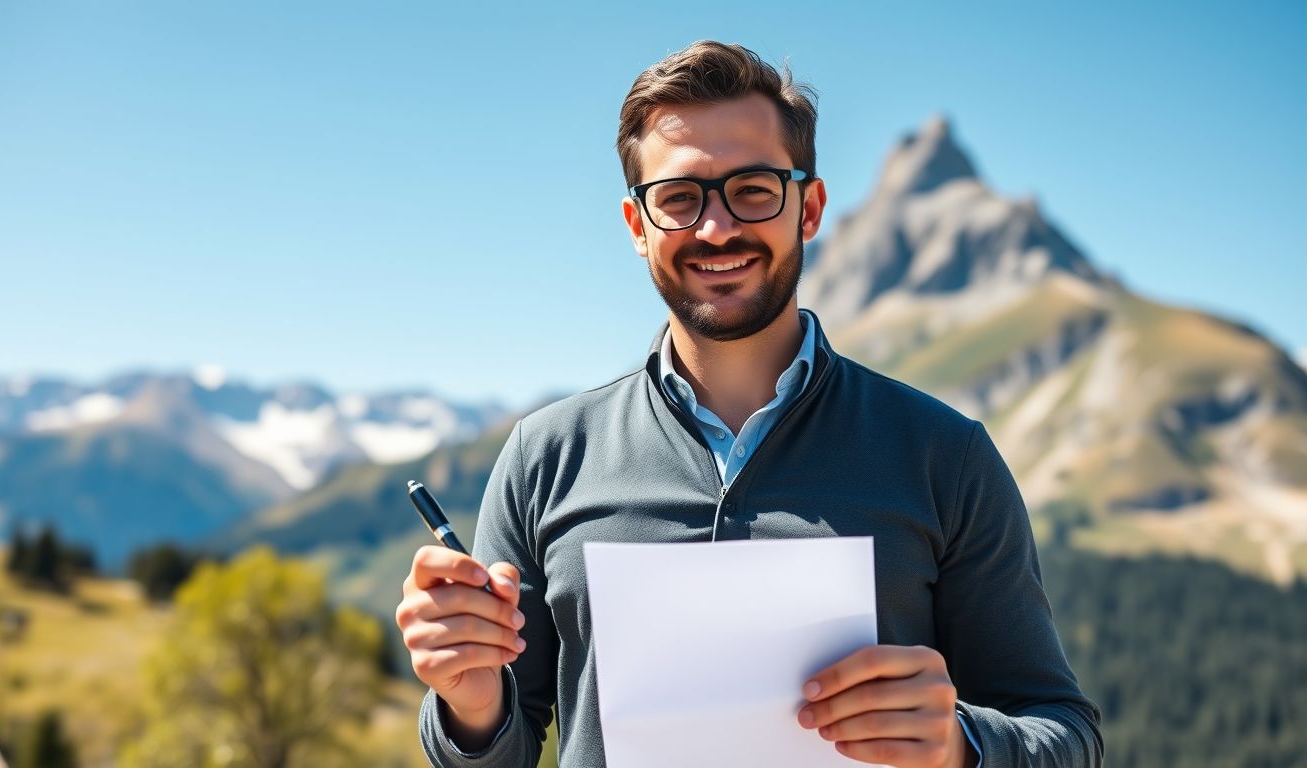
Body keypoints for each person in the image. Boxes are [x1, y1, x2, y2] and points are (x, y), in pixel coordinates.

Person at [395, 40, 1103, 768]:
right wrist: (472, 706)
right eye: (679, 198)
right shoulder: (545, 457)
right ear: (638, 227)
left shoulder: (945, 456)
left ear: (810, 207)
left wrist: (963, 743)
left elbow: (1067, 733)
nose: (717, 227)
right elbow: (500, 753)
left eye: (755, 189)